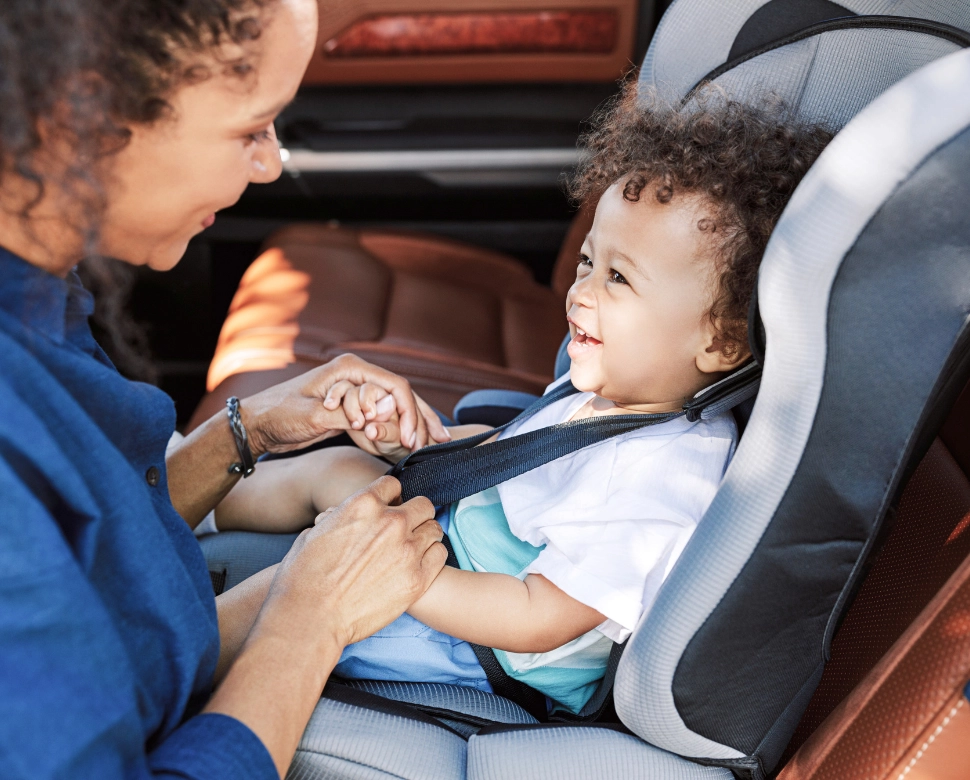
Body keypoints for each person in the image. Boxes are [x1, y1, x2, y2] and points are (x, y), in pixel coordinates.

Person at [214, 87, 834, 714]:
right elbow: (520, 461)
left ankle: (169, 659)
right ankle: (187, 511)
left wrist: (399, 576)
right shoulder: (620, 389)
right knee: (337, 467)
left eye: (618, 278)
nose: (581, 291)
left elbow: (542, 618)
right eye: (588, 261)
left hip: (482, 641)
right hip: (464, 549)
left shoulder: (667, 478)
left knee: (298, 585)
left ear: (722, 340)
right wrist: (423, 445)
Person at [0, 1, 453, 778]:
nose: (271, 163)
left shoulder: (37, 291)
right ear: (77, 117)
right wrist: (311, 619)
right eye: (250, 130)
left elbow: (96, 543)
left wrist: (252, 433)